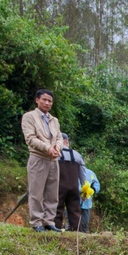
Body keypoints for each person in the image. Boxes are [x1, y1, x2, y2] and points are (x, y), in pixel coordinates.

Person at [20, 89, 63, 232]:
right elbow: (30, 138)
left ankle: (49, 221)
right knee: (36, 192)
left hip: (53, 159)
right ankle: (36, 222)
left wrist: (57, 147)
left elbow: (59, 138)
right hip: (38, 158)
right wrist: (47, 148)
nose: (47, 103)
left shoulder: (54, 120)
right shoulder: (29, 117)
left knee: (52, 193)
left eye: (50, 101)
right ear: (37, 100)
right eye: (44, 99)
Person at [55, 133, 88, 232]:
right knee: (75, 211)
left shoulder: (55, 154)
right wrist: (85, 192)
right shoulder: (77, 155)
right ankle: (77, 232)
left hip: (59, 186)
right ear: (67, 141)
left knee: (57, 209)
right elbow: (83, 177)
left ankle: (55, 230)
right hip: (74, 187)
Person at [79, 168, 100, 232]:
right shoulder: (71, 171)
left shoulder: (90, 173)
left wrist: (92, 190)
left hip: (86, 204)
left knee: (84, 223)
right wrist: (81, 191)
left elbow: (97, 184)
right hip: (73, 203)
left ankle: (83, 238)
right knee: (71, 223)